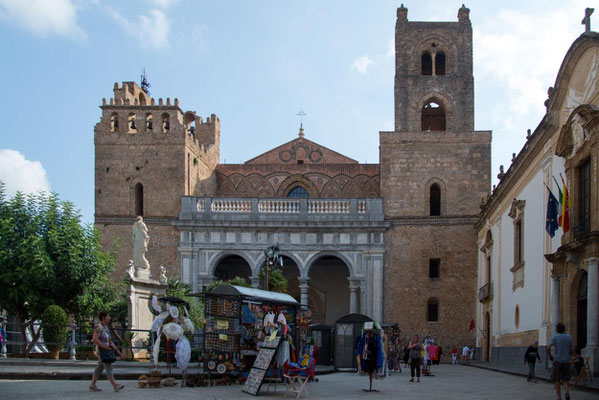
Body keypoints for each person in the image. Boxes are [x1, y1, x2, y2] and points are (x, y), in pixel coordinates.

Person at [89, 311, 125, 392]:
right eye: (108, 316)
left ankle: (92, 385)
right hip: (102, 351)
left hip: (107, 350)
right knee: (108, 367)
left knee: (100, 367)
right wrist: (104, 347)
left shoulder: (106, 328)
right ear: (103, 317)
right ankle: (115, 385)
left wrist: (117, 351)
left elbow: (110, 341)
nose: (109, 318)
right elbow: (95, 339)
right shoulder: (99, 327)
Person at [548, 323, 574, 400]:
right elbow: (572, 350)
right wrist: (570, 355)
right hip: (566, 361)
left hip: (557, 361)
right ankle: (566, 392)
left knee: (557, 379)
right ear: (564, 329)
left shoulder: (555, 337)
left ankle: (559, 397)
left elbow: (548, 347)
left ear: (557, 329)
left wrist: (550, 355)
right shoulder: (569, 337)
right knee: (566, 379)